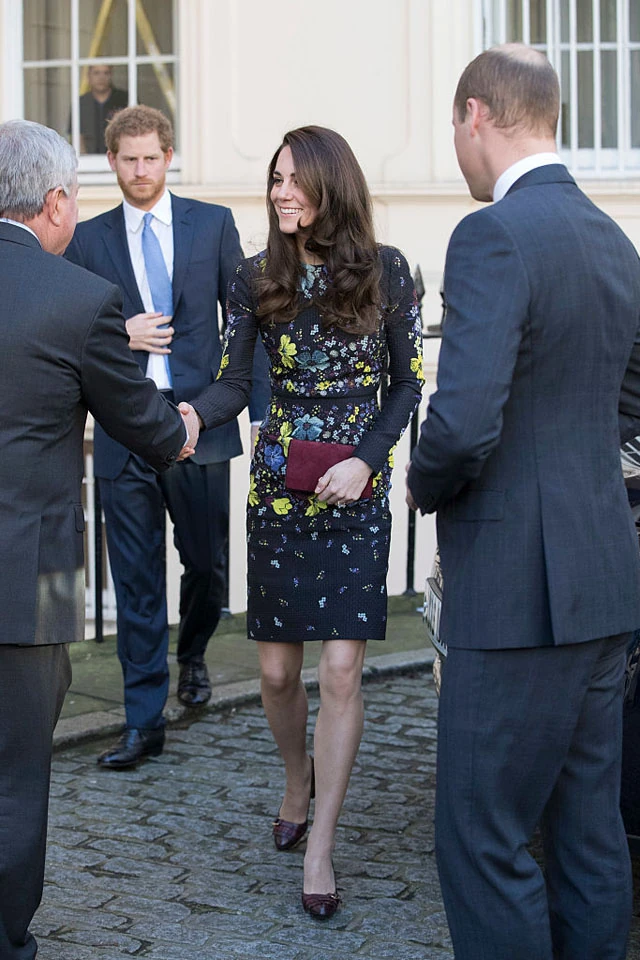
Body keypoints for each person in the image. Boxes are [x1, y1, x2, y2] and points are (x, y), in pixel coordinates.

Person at [406, 44, 640, 960]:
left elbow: (463, 425)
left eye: (453, 127)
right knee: (589, 834)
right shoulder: (612, 238)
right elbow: (631, 404)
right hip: (605, 582)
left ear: (475, 115)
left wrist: (423, 484)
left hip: (514, 594)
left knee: (483, 837)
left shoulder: (491, 236)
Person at [190, 125, 424, 919]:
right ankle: (297, 777)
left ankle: (321, 845)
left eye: (295, 180)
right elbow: (233, 384)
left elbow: (406, 385)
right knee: (277, 674)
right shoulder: (255, 275)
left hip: (355, 492)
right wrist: (188, 416)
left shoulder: (389, 270)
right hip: (281, 493)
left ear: (332, 186)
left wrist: (367, 461)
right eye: (276, 179)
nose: (281, 193)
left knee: (342, 671)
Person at [0, 119, 197, 960]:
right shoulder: (78, 300)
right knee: (13, 779)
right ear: (54, 202)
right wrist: (186, 426)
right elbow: (151, 429)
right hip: (24, 584)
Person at [65, 105, 270, 769]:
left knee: (207, 567)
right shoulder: (87, 239)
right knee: (135, 578)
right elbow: (65, 324)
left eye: (150, 157)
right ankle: (143, 720)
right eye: (128, 159)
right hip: (123, 425)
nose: (140, 170)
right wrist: (119, 333)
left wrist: (258, 414)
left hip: (199, 421)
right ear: (111, 161)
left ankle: (194, 653)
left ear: (169, 156)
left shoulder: (212, 225)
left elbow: (247, 325)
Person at [77, 64, 128, 155]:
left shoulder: (124, 99)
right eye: (96, 73)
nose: (101, 78)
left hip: (119, 156)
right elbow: (77, 135)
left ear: (111, 75)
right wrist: (84, 158)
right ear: (89, 76)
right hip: (89, 159)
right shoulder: (81, 102)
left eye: (106, 73)